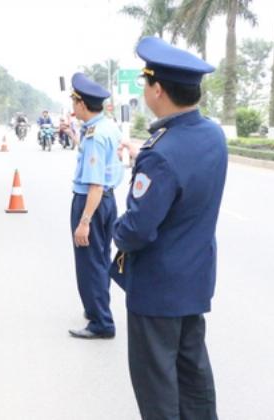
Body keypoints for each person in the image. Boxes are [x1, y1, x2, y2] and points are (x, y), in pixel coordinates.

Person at [112, 37, 226, 419]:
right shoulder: (213, 136)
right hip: (194, 280)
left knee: (157, 385)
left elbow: (138, 230)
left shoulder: (160, 153)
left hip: (158, 289)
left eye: (146, 83)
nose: (145, 90)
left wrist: (116, 229)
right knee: (193, 377)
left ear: (157, 89)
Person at [67, 72, 124, 339]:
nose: (72, 106)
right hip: (107, 201)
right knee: (100, 258)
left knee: (90, 263)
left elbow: (95, 185)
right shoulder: (106, 127)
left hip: (92, 201)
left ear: (81, 104)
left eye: (73, 101)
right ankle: (96, 310)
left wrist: (84, 221)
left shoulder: (95, 136)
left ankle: (101, 322)